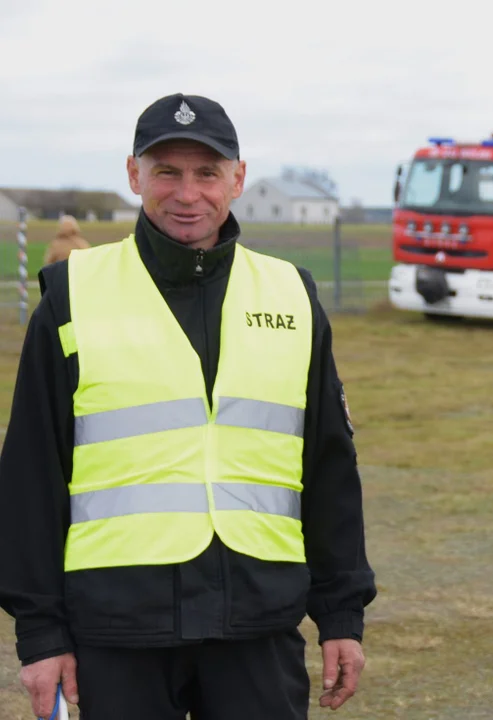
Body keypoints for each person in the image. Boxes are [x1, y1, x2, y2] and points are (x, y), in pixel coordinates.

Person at [0, 93, 377, 720]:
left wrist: (342, 614)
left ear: (238, 178)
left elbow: (331, 470)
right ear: (133, 176)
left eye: (206, 172)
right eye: (166, 171)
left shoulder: (292, 295)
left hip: (257, 624)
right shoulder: (71, 297)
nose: (187, 192)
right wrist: (40, 635)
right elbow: (30, 476)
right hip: (118, 628)